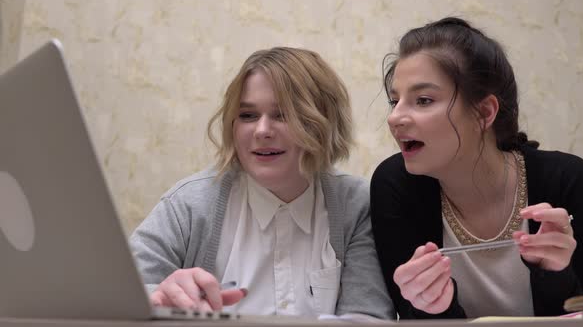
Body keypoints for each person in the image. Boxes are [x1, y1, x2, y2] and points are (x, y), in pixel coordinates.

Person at [129, 47, 393, 319]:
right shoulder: (188, 203)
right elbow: (119, 296)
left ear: (323, 122)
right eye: (248, 116)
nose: (262, 131)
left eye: (282, 115)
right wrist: (158, 297)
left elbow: (367, 316)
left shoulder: (356, 204)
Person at [371, 17, 583, 319]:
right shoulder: (394, 185)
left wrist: (555, 273)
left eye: (422, 100)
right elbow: (411, 316)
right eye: (394, 101)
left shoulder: (568, 180)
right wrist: (432, 308)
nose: (395, 118)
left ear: (484, 112)